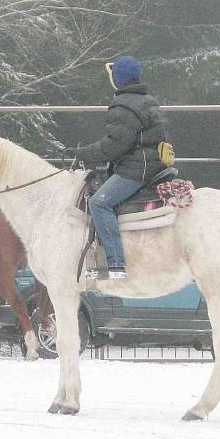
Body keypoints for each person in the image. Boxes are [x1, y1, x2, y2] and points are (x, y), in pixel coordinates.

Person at [65, 56, 168, 280]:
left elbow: (115, 146)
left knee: (99, 202)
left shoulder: (123, 105)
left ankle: (115, 263)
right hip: (149, 163)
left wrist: (83, 154)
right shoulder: (146, 99)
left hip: (136, 168)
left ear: (118, 79)